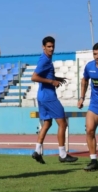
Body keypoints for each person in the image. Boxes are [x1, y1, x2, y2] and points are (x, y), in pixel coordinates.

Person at [31, 36, 78, 164]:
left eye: (52, 46)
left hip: (41, 96)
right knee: (63, 124)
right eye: (48, 47)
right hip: (48, 97)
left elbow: (43, 75)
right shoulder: (45, 60)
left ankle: (37, 151)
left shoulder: (44, 58)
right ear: (43, 47)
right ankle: (62, 154)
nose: (51, 49)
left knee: (47, 123)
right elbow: (34, 77)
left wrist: (56, 78)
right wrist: (52, 81)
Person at [78, 42, 98, 171]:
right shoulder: (89, 66)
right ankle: (93, 160)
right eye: (95, 54)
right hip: (94, 105)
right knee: (89, 130)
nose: (97, 56)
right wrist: (82, 97)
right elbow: (84, 80)